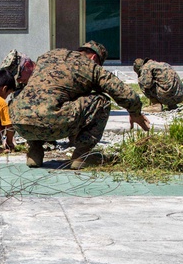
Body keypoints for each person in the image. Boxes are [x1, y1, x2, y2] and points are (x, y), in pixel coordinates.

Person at [10, 41, 150, 170]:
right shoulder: (89, 66)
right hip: (52, 122)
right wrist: (135, 112)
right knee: (102, 101)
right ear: (94, 58)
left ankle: (34, 151)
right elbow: (125, 93)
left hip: (19, 122)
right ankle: (81, 156)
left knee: (34, 100)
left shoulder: (48, 56)